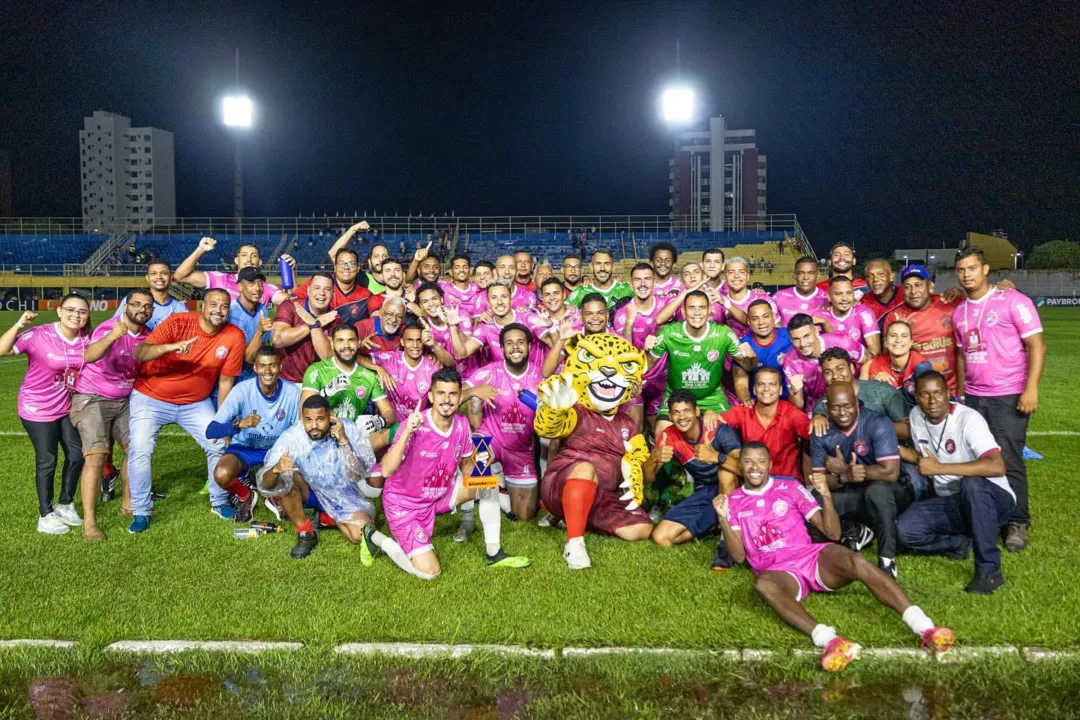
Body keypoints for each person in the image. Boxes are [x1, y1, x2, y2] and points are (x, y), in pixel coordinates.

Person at [717, 442, 954, 672]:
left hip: (810, 557)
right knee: (763, 584)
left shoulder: (789, 487)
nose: (754, 467)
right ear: (740, 465)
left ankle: (926, 629)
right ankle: (830, 641)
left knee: (856, 560)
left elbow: (833, 533)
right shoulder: (734, 502)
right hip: (778, 571)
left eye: (760, 461)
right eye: (748, 462)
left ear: (769, 464)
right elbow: (739, 557)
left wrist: (826, 496)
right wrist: (723, 518)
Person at [379, 368, 532, 577]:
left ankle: (494, 553)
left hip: (439, 496)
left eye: (452, 394)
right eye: (441, 393)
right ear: (431, 396)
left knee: (488, 484)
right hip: (405, 505)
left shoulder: (461, 424)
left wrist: (480, 465)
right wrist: (406, 432)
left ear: (460, 397)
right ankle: (375, 539)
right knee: (430, 572)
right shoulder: (415, 424)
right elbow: (387, 469)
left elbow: (466, 464)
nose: (447, 400)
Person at [127, 288, 247, 532]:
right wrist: (168, 348)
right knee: (140, 448)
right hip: (151, 396)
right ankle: (141, 510)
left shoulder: (234, 336)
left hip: (195, 402)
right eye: (214, 304)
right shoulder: (179, 321)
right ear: (202, 305)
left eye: (224, 306)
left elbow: (226, 382)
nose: (219, 310)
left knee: (218, 444)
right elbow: (140, 352)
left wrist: (222, 424)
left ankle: (219, 500)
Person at [952, 246, 1044, 552]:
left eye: (972, 268)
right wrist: (963, 394)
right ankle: (989, 515)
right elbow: (962, 356)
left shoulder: (1012, 301)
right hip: (975, 398)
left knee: (1009, 459)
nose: (967, 274)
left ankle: (1017, 522)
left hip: (1008, 395)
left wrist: (1030, 388)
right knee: (979, 459)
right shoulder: (959, 312)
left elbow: (1036, 345)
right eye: (961, 270)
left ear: (986, 268)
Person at [897, 372, 1016, 594]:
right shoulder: (915, 416)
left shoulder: (968, 419)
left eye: (938, 393)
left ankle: (989, 571)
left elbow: (996, 466)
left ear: (948, 394)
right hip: (953, 501)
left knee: (971, 484)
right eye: (925, 394)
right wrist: (892, 449)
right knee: (904, 530)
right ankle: (959, 544)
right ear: (916, 396)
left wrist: (940, 468)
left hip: (993, 498)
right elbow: (924, 457)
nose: (933, 401)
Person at [257, 395, 402, 564]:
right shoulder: (292, 437)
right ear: (302, 419)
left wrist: (344, 441)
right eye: (308, 420)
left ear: (330, 416)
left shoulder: (347, 429)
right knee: (285, 477)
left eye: (320, 419)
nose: (314, 426)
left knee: (358, 535)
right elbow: (265, 485)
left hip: (342, 492)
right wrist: (275, 470)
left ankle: (324, 517)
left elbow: (358, 474)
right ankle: (306, 532)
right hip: (308, 491)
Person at [0, 295, 91, 534]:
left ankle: (65, 504)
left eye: (82, 311)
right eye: (70, 309)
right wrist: (20, 324)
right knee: (47, 459)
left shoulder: (86, 339)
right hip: (36, 407)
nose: (76, 315)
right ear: (59, 311)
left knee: (76, 453)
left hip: (65, 406)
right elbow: (2, 349)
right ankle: (45, 514)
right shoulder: (40, 334)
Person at [71, 289, 153, 540]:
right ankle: (90, 523)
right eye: (136, 304)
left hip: (126, 399)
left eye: (147, 306)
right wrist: (112, 337)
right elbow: (89, 355)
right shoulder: (109, 327)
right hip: (92, 397)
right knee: (96, 457)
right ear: (125, 306)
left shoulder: (149, 335)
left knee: (135, 449)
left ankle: (128, 505)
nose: (142, 309)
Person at [810, 382, 909, 578]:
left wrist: (849, 470)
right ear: (827, 407)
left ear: (856, 404)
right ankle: (855, 531)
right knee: (814, 500)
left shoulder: (878, 422)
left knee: (877, 491)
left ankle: (886, 560)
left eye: (847, 405)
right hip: (853, 493)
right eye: (836, 407)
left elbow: (890, 472)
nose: (842, 412)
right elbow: (819, 480)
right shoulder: (821, 432)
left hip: (892, 491)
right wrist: (844, 476)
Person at [205, 346, 301, 523]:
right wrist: (239, 424)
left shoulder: (292, 392)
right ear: (255, 368)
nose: (267, 371)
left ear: (280, 367)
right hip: (244, 448)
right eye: (262, 366)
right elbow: (211, 430)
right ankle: (245, 495)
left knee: (298, 478)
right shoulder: (242, 390)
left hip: (276, 450)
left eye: (272, 365)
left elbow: (298, 431)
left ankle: (274, 495)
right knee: (221, 474)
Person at [646, 290, 756, 435]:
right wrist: (647, 351)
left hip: (712, 396)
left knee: (729, 434)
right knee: (662, 433)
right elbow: (647, 365)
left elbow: (748, 366)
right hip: (676, 396)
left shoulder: (724, 334)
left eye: (702, 307)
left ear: (709, 310)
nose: (697, 312)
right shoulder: (668, 333)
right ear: (683, 311)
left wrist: (752, 357)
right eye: (691, 308)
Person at [465, 324, 545, 520]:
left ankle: (500, 489)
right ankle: (491, 483)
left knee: (525, 515)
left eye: (520, 343)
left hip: (521, 449)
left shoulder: (540, 377)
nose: (515, 347)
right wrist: (474, 391)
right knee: (473, 468)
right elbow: (452, 396)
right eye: (509, 343)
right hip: (491, 438)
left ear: (529, 346)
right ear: (502, 349)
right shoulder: (490, 372)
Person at [648, 391, 743, 548]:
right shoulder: (668, 436)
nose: (682, 417)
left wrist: (717, 457)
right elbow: (647, 479)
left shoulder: (718, 429)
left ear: (697, 411)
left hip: (735, 491)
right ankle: (711, 525)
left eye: (687, 410)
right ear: (670, 417)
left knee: (725, 473)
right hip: (705, 492)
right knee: (661, 537)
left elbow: (743, 470)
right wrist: (654, 459)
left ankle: (727, 536)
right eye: (676, 412)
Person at [719, 367, 810, 480]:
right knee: (725, 474)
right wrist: (710, 415)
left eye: (772, 384)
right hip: (754, 480)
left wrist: (819, 418)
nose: (766, 388)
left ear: (780, 390)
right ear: (755, 389)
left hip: (787, 482)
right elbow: (715, 424)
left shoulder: (791, 413)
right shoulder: (744, 411)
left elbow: (812, 432)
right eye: (761, 384)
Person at [886, 265, 963, 394]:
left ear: (930, 286)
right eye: (907, 287)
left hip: (952, 391)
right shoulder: (895, 316)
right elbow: (888, 357)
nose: (913, 291)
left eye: (918, 285)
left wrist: (962, 293)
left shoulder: (949, 303)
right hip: (916, 393)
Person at [301, 325, 394, 427]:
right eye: (340, 340)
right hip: (322, 434)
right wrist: (325, 393)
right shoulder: (316, 370)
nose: (346, 345)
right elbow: (303, 414)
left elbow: (388, 411)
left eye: (351, 340)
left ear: (359, 343)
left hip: (354, 435)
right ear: (332, 344)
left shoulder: (370, 375)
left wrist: (379, 422)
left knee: (395, 430)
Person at [362, 324, 448, 424]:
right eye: (410, 340)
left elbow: (451, 367)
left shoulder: (432, 366)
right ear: (402, 342)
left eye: (419, 340)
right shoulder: (389, 359)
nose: (415, 345)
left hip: (418, 427)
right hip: (389, 427)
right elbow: (357, 358)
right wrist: (377, 367)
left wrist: (434, 347)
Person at [783, 314, 865, 416]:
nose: (802, 344)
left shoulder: (841, 343)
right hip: (817, 408)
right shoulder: (790, 360)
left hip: (852, 397)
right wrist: (795, 391)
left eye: (806, 336)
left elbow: (869, 360)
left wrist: (863, 384)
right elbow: (797, 405)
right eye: (796, 339)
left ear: (816, 332)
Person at [173, 237, 293, 306]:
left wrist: (291, 272)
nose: (249, 259)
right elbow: (180, 276)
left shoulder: (265, 288)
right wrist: (200, 250)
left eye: (254, 256)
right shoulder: (220, 279)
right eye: (244, 255)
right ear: (236, 260)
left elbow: (293, 304)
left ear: (260, 262)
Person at [271, 272, 337, 386]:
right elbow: (278, 340)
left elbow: (327, 357)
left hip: (317, 384)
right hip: (285, 381)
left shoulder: (335, 319)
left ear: (333, 295)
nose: (321, 293)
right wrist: (314, 324)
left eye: (327, 289)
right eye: (317, 288)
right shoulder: (290, 306)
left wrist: (314, 325)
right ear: (308, 290)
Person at [731, 300, 793, 404]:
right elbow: (741, 383)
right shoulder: (743, 345)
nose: (761, 322)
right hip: (758, 402)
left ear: (773, 317)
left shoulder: (789, 336)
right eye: (755, 319)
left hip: (790, 401)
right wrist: (747, 401)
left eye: (765, 316)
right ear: (749, 322)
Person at [294, 247, 377, 313]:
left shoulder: (366, 296)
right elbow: (292, 302)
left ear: (358, 268)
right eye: (341, 263)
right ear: (335, 267)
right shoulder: (316, 284)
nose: (346, 267)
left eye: (351, 264)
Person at [861, 319, 932, 396]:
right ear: (886, 342)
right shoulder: (874, 364)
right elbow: (862, 396)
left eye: (904, 336)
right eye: (893, 335)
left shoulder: (921, 366)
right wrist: (874, 383)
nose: (898, 340)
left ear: (911, 342)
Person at [227, 268, 273, 376]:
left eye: (260, 283)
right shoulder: (234, 314)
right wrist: (259, 331)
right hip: (236, 379)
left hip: (256, 376)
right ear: (240, 287)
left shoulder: (262, 309)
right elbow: (248, 358)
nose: (257, 288)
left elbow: (264, 347)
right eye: (251, 283)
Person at [114, 260, 186, 329]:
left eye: (164, 273)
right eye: (153, 273)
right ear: (147, 278)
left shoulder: (180, 309)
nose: (159, 277)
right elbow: (111, 328)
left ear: (171, 277)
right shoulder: (132, 301)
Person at [821, 276, 881, 357]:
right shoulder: (819, 315)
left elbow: (875, 352)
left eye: (849, 293)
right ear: (829, 297)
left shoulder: (864, 313)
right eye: (839, 294)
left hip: (860, 366)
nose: (845, 298)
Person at [720, 257, 776, 339]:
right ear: (725, 277)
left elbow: (777, 328)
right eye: (731, 272)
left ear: (748, 276)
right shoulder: (719, 303)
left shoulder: (763, 299)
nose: (736, 276)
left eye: (741, 272)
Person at [774, 256, 830, 326]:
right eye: (801, 273)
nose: (806, 277)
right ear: (795, 275)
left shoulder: (827, 298)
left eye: (811, 273)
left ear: (817, 275)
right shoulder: (779, 296)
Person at [566, 249, 632, 308]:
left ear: (613, 267)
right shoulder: (581, 291)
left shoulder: (628, 289)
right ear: (591, 266)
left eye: (607, 264)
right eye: (598, 264)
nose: (602, 268)